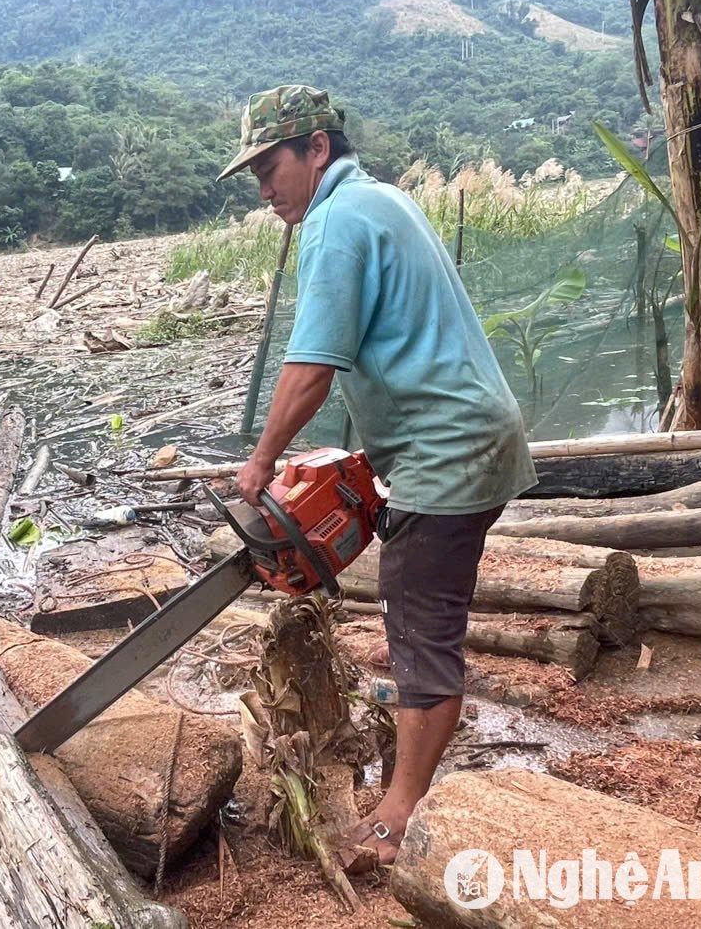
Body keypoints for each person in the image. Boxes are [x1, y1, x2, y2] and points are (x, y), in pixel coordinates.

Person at [217, 85, 537, 868]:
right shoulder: (380, 201)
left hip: (448, 448)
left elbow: (311, 369)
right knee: (421, 615)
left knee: (419, 633)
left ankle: (396, 820)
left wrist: (261, 463)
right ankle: (409, 780)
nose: (264, 189)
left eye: (271, 166)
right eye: (254, 173)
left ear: (316, 148)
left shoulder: (337, 221)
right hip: (464, 435)